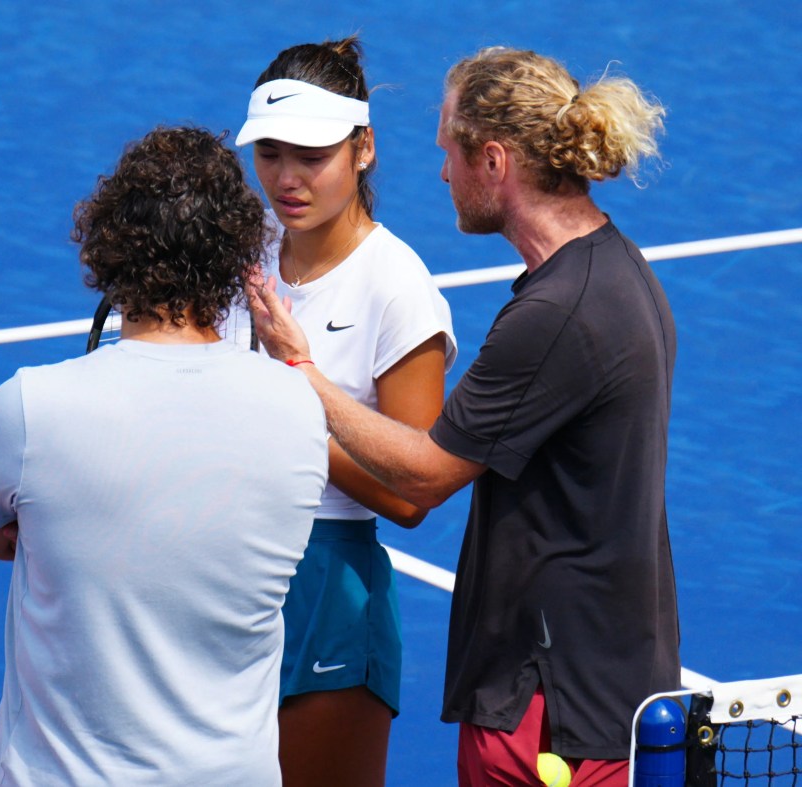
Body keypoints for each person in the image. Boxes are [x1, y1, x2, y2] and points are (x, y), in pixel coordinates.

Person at [250, 46, 680, 787]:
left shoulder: (557, 314)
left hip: (554, 706)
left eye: (449, 149)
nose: (441, 171)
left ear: (493, 161)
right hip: (591, 685)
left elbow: (422, 474)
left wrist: (296, 373)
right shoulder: (612, 274)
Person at [0, 126, 329, 787]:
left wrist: (54, 532)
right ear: (236, 256)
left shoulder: (34, 406)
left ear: (109, 243)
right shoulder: (300, 410)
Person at [235, 37, 457, 787]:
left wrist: (284, 410)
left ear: (362, 149)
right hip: (222, 561)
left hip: (331, 590)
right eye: (269, 154)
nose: (286, 179)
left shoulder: (398, 291)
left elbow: (409, 491)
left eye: (311, 156)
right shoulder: (248, 250)